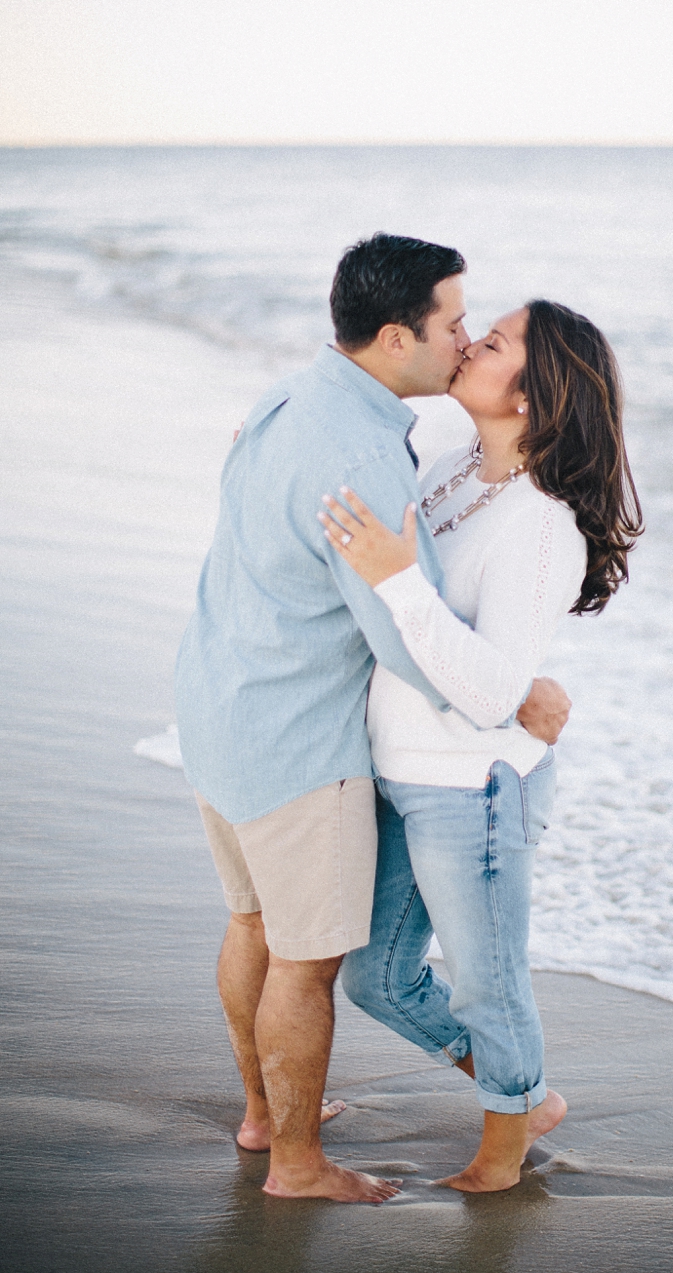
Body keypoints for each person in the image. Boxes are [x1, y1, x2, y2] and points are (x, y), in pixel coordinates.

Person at [174, 235, 570, 1203]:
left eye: (486, 333)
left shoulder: (295, 398)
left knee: (260, 927)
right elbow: (398, 637)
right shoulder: (379, 452)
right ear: (397, 337)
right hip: (301, 742)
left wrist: (505, 681)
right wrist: (520, 690)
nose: (467, 339)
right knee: (309, 968)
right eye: (455, 323)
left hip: (224, 710)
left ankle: (278, 1116)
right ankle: (297, 1163)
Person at [320, 299, 642, 1191]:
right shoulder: (458, 463)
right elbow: (358, 418)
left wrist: (398, 581)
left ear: (533, 397)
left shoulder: (541, 527)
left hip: (476, 786)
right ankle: (522, 1089)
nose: (468, 343)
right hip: (401, 769)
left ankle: (503, 1158)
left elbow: (496, 686)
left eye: (492, 342)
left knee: (488, 983)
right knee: (377, 980)